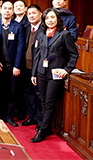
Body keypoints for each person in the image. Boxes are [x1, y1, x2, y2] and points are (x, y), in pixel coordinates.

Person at [31, 8, 78, 142]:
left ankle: (43, 130)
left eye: (52, 17)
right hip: (41, 72)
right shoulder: (42, 34)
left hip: (55, 74)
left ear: (57, 19)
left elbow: (74, 55)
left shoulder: (64, 34)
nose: (50, 20)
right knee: (43, 101)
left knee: (50, 102)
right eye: (47, 18)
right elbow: (38, 55)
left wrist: (67, 69)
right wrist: (34, 73)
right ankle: (48, 127)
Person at [0, 1, 25, 126]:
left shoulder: (18, 26)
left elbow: (21, 47)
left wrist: (17, 66)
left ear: (12, 11)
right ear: (1, 10)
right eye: (5, 8)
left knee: (12, 91)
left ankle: (10, 115)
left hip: (13, 66)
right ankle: (0, 113)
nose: (7, 11)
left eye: (10, 9)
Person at [20, 4, 43, 127]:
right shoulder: (26, 27)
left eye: (34, 13)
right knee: (28, 94)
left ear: (40, 14)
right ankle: (31, 117)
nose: (31, 16)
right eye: (29, 14)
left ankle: (40, 121)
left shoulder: (44, 29)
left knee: (39, 95)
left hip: (38, 68)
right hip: (26, 66)